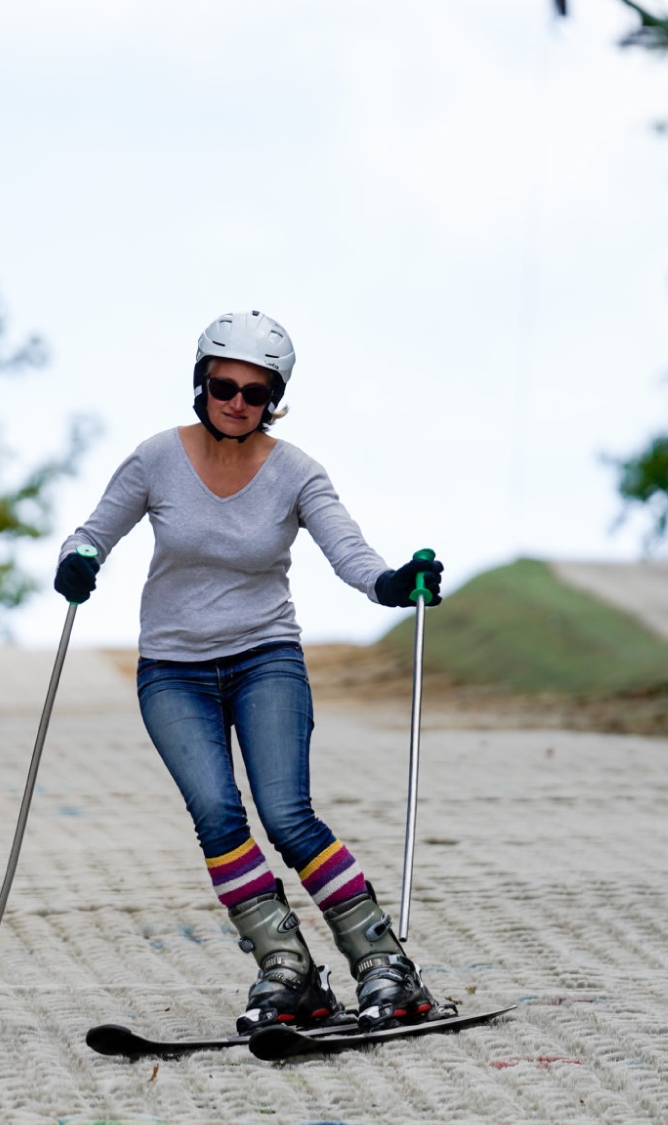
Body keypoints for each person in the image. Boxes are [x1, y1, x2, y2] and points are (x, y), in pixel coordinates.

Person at [55, 310, 446, 1034]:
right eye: (224, 385)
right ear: (200, 383)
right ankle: (287, 969)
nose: (237, 402)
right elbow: (93, 529)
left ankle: (385, 965)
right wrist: (78, 559)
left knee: (288, 816)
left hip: (266, 658)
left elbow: (351, 554)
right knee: (216, 814)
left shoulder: (297, 472)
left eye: (256, 393)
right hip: (173, 670)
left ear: (275, 399)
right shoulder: (155, 459)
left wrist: (394, 583)